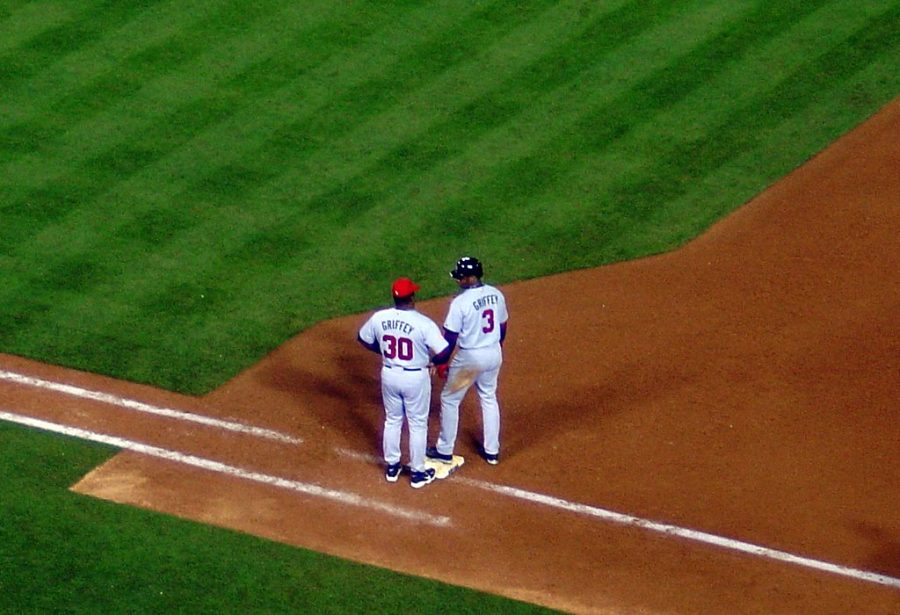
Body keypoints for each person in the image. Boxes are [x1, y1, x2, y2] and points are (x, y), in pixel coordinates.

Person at [357, 277, 451, 488]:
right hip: (415, 377)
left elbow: (363, 338)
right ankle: (417, 473)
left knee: (392, 419)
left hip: (389, 374)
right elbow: (444, 351)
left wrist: (383, 351)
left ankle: (392, 466)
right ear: (413, 297)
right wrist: (433, 362)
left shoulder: (379, 317)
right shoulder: (423, 323)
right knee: (417, 424)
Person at [427, 256, 508, 466]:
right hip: (494, 352)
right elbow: (503, 327)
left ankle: (444, 450)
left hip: (470, 359)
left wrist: (438, 361)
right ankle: (492, 451)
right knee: (489, 397)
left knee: (450, 399)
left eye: (461, 277)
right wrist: (494, 349)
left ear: (472, 278)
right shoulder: (496, 294)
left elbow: (450, 339)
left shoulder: (460, 303)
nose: (458, 280)